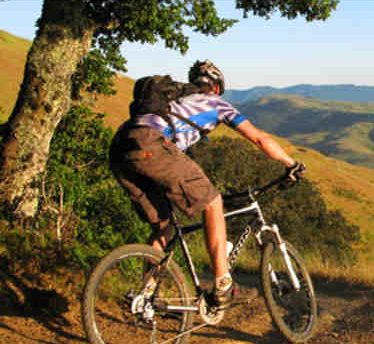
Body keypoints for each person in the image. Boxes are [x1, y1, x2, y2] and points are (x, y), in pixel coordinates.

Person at [109, 60, 305, 307]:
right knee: (213, 202)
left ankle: (145, 295)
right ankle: (224, 284)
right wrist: (290, 164)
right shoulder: (217, 104)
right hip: (152, 146)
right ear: (216, 88)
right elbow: (259, 138)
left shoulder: (172, 102)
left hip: (120, 150)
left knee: (164, 227)